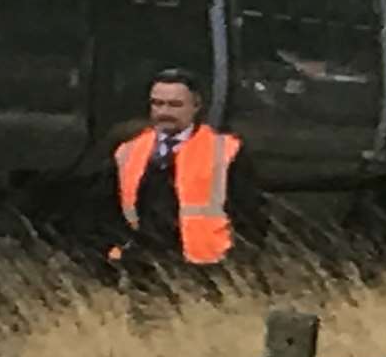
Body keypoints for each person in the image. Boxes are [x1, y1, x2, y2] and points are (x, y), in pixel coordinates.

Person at [100, 67, 264, 293]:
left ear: (196, 107)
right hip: (144, 267)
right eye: (157, 103)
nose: (164, 111)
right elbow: (108, 210)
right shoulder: (128, 150)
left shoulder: (225, 150)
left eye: (175, 105)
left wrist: (240, 264)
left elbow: (250, 214)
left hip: (208, 270)